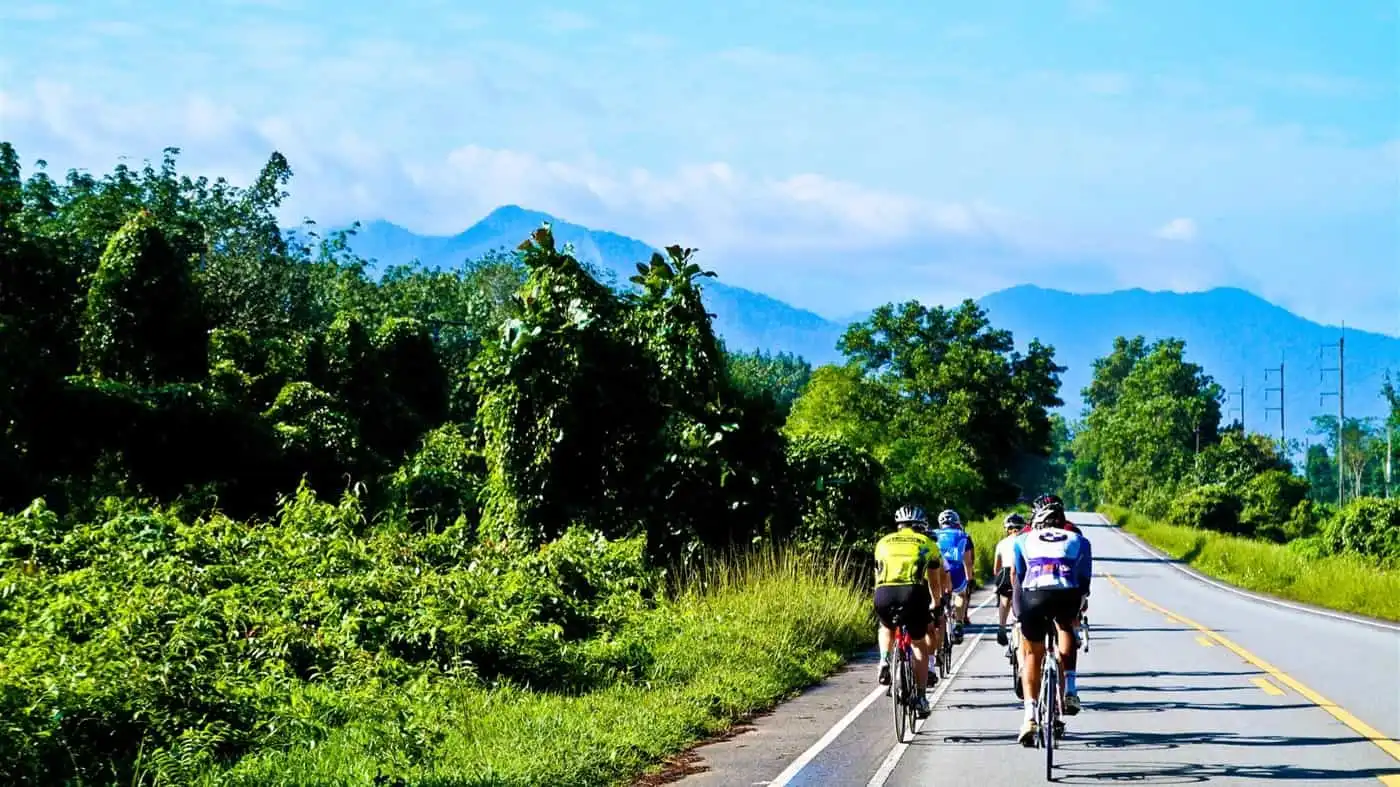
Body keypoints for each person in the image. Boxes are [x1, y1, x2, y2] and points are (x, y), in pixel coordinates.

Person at [1011, 499, 1092, 746]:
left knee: (1032, 653)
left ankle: (1029, 717)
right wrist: (1080, 605)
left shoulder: (1022, 540)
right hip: (1066, 594)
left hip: (1033, 597)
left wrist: (1019, 612)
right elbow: (1085, 581)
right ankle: (1070, 689)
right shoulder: (1079, 540)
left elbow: (1019, 577)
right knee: (1066, 626)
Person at [874, 505, 948, 719]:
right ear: (921, 526)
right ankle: (922, 697)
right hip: (912, 593)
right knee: (918, 643)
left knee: (886, 626)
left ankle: (884, 660)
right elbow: (934, 581)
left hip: (883, 593)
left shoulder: (882, 542)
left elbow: (878, 573)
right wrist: (936, 604)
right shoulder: (927, 543)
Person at [932, 509, 974, 643]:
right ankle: (959, 623)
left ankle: (936, 623)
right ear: (957, 522)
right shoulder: (963, 535)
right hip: (956, 569)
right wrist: (970, 579)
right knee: (960, 594)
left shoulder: (932, 534)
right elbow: (968, 562)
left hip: (937, 570)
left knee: (937, 597)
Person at [992, 513, 1024, 646]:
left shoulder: (1002, 543)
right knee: (1022, 601)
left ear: (1008, 529)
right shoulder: (1025, 539)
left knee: (1004, 601)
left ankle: (1002, 626)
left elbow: (996, 569)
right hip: (1021, 572)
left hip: (1005, 572)